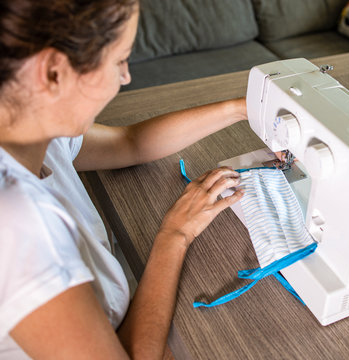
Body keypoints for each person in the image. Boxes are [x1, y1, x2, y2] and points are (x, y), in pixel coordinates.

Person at [0, 0, 246, 358]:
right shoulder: (19, 225)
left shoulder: (31, 129)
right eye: (119, 60)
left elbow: (129, 143)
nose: (126, 75)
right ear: (54, 73)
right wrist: (174, 234)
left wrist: (242, 108)